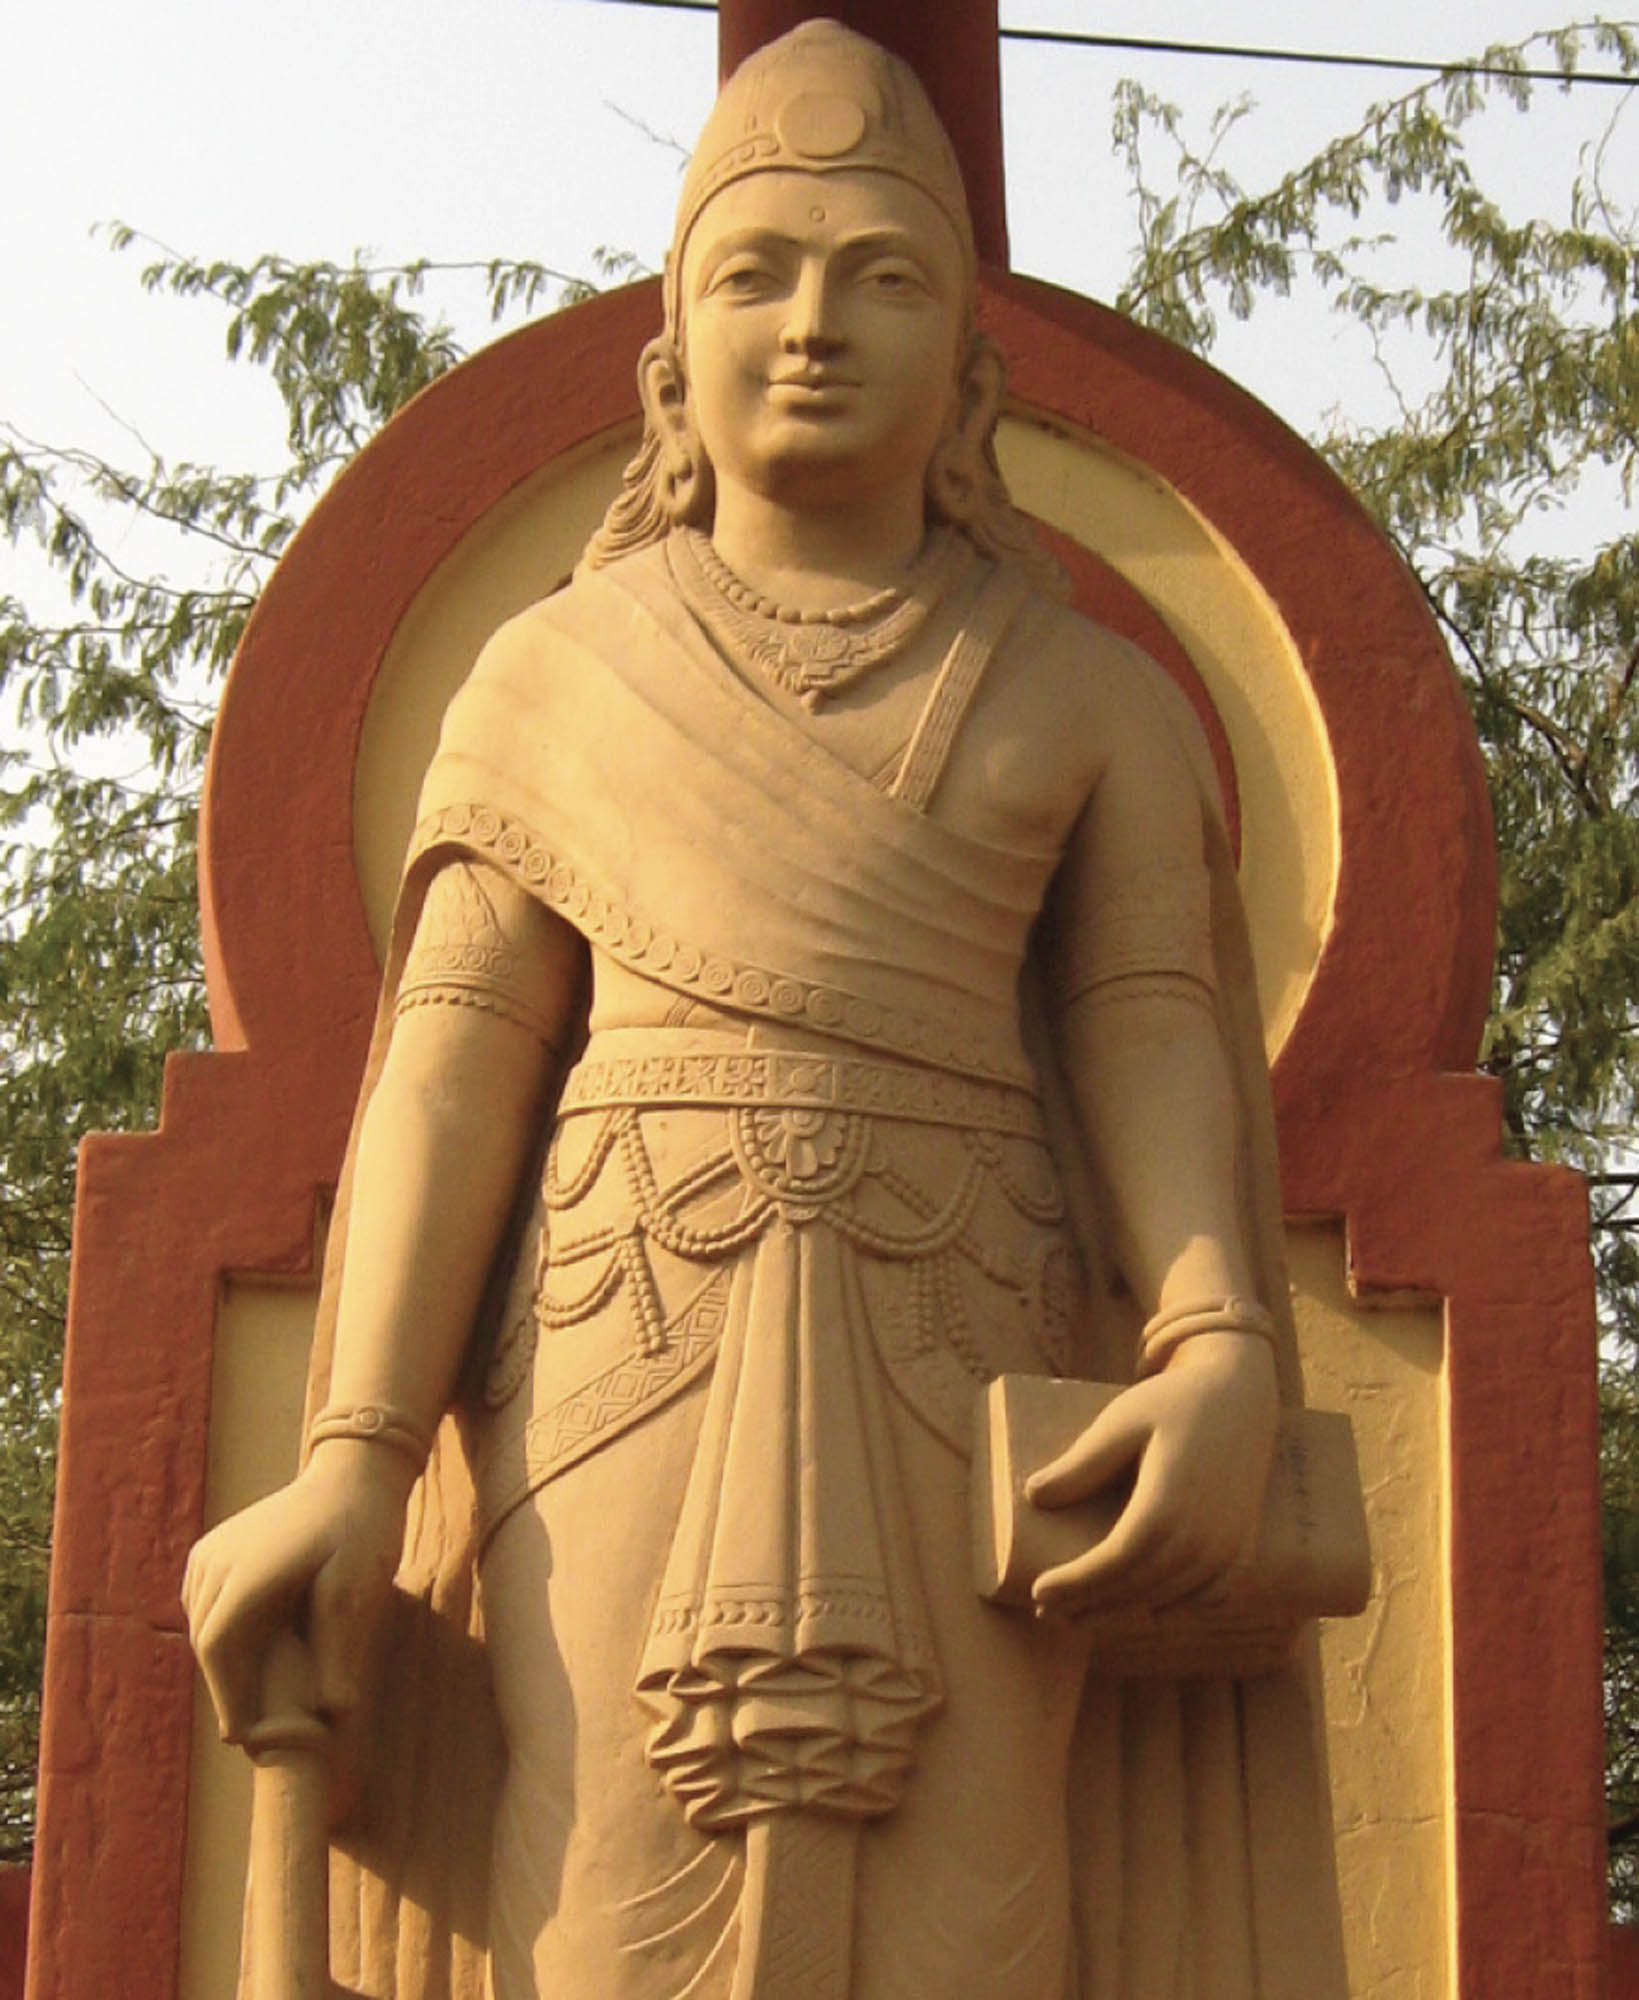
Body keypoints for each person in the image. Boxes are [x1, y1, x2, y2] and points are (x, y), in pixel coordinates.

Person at [184, 22, 1349, 1998]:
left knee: (975, 1909)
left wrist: (1217, 1338)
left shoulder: (1089, 700)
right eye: (756, 275)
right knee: (611, 1887)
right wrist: (359, 1454)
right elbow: (451, 1072)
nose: (813, 326)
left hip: (966, 1345)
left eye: (881, 277)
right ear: (673, 356)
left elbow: (1149, 1024)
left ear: (967, 366)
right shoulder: (547, 680)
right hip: (625, 1335)